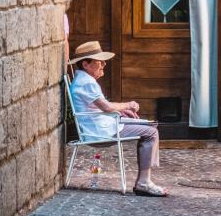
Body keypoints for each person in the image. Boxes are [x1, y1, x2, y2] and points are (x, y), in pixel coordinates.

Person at [69, 41, 167, 196]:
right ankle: (143, 182)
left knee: (151, 126)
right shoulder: (86, 82)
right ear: (86, 64)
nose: (103, 64)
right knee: (151, 133)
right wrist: (128, 105)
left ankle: (145, 180)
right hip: (101, 132)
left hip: (102, 125)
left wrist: (120, 113)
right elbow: (106, 107)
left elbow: (100, 107)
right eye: (98, 61)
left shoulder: (84, 80)